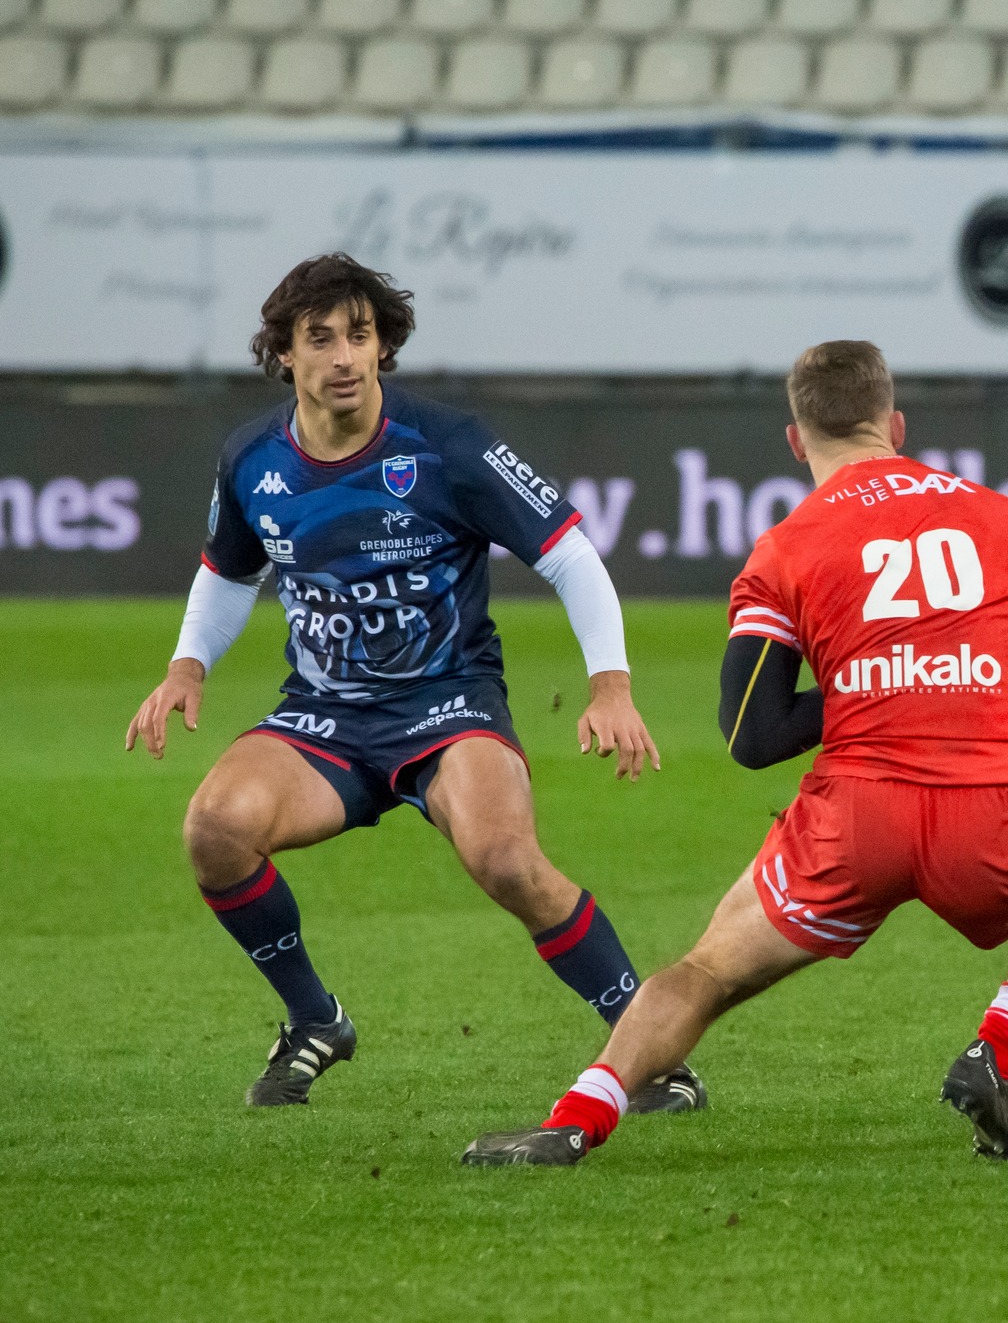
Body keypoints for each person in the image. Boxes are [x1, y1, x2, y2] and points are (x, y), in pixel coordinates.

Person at [462, 340, 1008, 1167]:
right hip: (995, 812)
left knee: (709, 969)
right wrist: (958, 683)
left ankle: (578, 1117)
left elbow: (753, 734)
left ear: (795, 438)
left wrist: (867, 691)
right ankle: (995, 1048)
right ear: (895, 423)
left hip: (854, 825)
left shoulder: (787, 546)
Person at [124, 253, 699, 1113]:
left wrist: (609, 684)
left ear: (383, 344)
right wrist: (185, 667)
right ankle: (315, 1020)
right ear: (284, 352)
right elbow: (228, 569)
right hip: (324, 717)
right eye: (320, 339)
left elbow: (571, 553)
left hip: (448, 703)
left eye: (360, 335)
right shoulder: (251, 458)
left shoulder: (448, 445)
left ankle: (647, 1048)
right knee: (213, 828)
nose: (345, 357)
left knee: (506, 859)